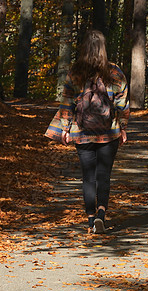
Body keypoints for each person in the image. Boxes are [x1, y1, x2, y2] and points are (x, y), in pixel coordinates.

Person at [46, 29, 129, 234]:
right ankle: (102, 214)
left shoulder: (76, 72)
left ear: (84, 47)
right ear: (103, 49)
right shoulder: (114, 72)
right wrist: (123, 128)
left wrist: (65, 129)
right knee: (104, 175)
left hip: (81, 133)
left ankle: (91, 219)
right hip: (108, 133)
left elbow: (67, 103)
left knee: (88, 177)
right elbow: (122, 104)